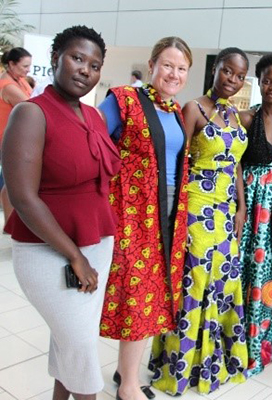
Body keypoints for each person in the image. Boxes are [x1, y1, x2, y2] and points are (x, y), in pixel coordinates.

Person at [3, 25, 120, 399]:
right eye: (77, 58)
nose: (86, 70)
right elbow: (22, 197)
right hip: (48, 249)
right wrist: (75, 256)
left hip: (96, 243)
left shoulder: (95, 116)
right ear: (55, 59)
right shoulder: (31, 114)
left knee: (70, 340)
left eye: (95, 65)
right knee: (82, 348)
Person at [149, 47, 249, 395]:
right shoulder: (194, 108)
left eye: (239, 76)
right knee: (194, 285)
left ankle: (209, 364)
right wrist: (180, 213)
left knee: (222, 286)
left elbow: (236, 162)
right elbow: (180, 159)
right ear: (215, 70)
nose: (232, 80)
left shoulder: (236, 117)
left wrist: (241, 207)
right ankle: (181, 366)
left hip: (225, 212)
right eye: (227, 72)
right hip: (197, 207)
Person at [99, 36, 192, 400]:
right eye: (168, 65)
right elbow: (92, 140)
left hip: (168, 217)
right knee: (137, 296)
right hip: (132, 218)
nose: (174, 73)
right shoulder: (123, 99)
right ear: (152, 64)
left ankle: (127, 374)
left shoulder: (174, 110)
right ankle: (129, 387)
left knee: (151, 297)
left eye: (181, 68)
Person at [238, 53, 272, 377]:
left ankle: (261, 345)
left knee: (269, 277)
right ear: (259, 82)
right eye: (268, 80)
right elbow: (236, 164)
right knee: (245, 275)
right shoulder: (247, 119)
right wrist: (241, 207)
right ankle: (237, 345)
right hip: (250, 208)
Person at [1, 46, 32, 224]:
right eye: (24, 66)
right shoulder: (8, 86)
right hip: (7, 138)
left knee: (12, 181)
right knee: (10, 182)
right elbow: (30, 105)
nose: (27, 70)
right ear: (11, 64)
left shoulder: (20, 80)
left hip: (16, 137)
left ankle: (11, 221)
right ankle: (9, 222)